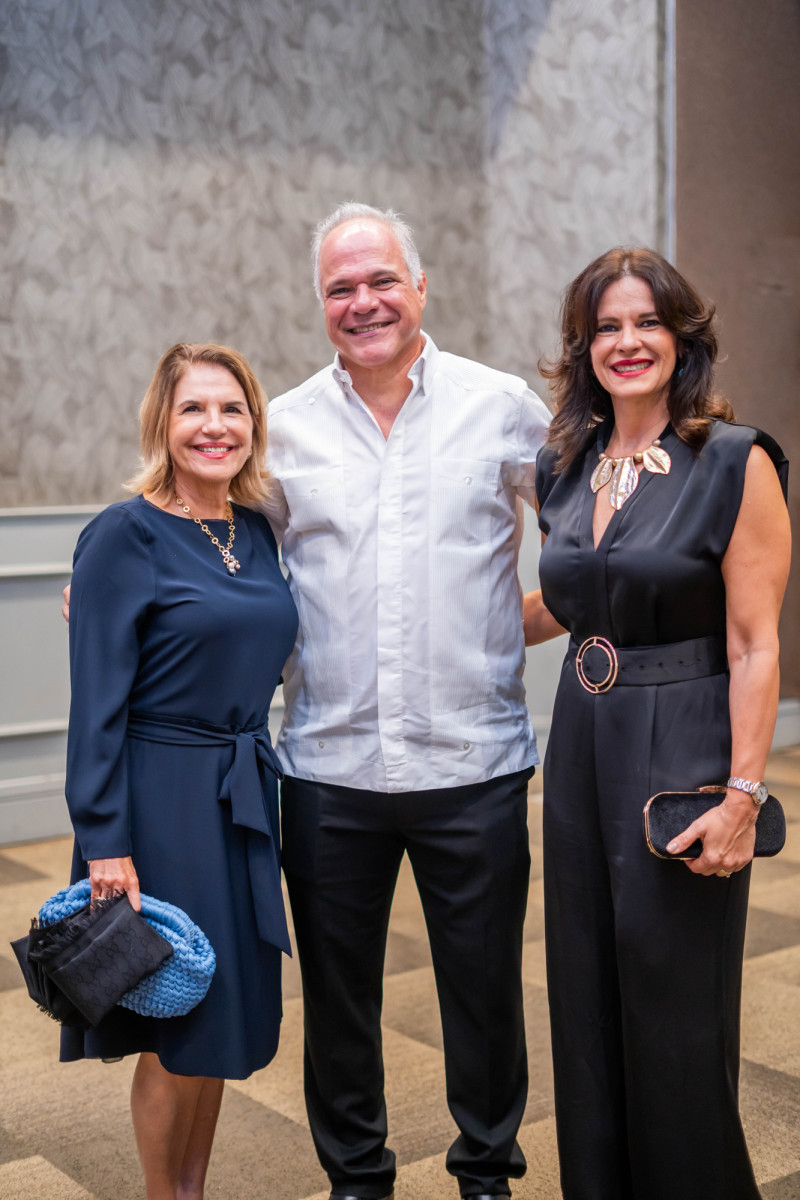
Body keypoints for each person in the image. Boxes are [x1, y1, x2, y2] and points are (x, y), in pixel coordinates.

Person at [264, 202, 552, 1200]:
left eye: (379, 279)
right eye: (339, 288)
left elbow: (596, 545)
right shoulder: (283, 427)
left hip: (471, 765)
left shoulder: (501, 406)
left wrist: (498, 628)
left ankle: (484, 1173)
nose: (362, 302)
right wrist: (118, 568)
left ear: (419, 285)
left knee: (482, 996)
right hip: (327, 773)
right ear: (319, 304)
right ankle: (356, 1180)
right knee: (337, 1002)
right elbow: (222, 565)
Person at [523, 247, 790, 1199]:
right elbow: (567, 599)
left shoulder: (733, 460)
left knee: (675, 1017)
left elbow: (756, 645)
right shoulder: (566, 466)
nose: (626, 342)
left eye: (647, 322)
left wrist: (744, 797)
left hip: (683, 740)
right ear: (583, 346)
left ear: (683, 337)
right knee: (587, 1002)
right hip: (581, 742)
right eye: (606, 326)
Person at [61, 343, 298, 1200]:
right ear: (164, 420)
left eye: (231, 409)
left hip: (239, 799)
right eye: (194, 408)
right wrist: (104, 844)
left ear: (253, 425)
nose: (214, 427)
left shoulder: (257, 529)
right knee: (176, 1018)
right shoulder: (125, 533)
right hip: (158, 803)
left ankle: (191, 1191)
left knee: (221, 1014)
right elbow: (96, 708)